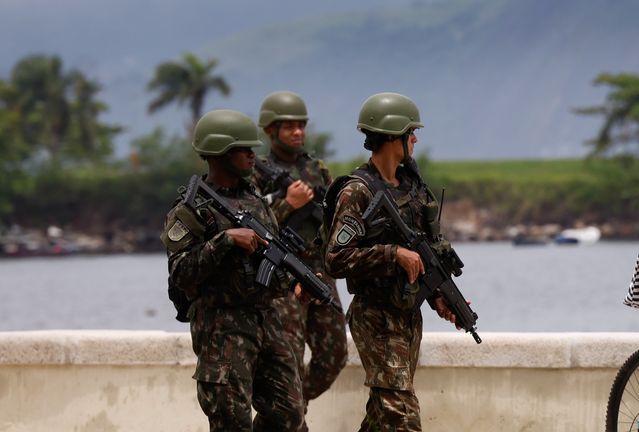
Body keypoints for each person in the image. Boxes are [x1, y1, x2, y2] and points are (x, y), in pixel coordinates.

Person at [325, 92, 463, 432]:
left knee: (381, 416)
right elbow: (335, 258)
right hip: (375, 317)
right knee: (403, 417)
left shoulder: (413, 189)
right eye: (410, 131)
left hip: (407, 317)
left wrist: (439, 296)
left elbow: (423, 255)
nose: (415, 138)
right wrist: (392, 254)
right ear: (391, 136)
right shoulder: (357, 192)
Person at [163, 108, 305, 431]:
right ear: (219, 153)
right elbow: (181, 273)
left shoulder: (256, 200)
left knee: (289, 414)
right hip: (222, 330)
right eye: (244, 149)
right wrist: (225, 240)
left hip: (266, 322)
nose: (253, 156)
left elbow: (270, 261)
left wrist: (296, 284)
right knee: (231, 423)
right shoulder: (189, 210)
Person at [255, 90, 347, 429]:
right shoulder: (257, 175)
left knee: (334, 356)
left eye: (301, 126)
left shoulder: (316, 169)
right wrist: (287, 204)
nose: (298, 132)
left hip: (319, 275)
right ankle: (288, 412)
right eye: (289, 126)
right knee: (288, 362)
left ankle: (291, 405)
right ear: (270, 130)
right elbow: (253, 228)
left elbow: (333, 218)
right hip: (283, 282)